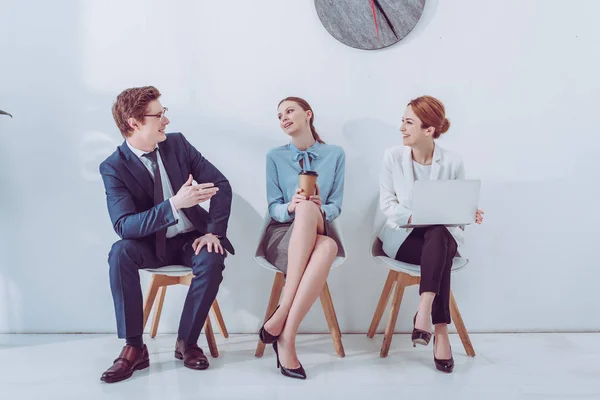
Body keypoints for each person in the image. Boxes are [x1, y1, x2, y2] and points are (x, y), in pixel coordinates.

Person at [99, 86, 234, 383]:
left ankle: (187, 341)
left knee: (212, 256)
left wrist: (214, 232)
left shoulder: (177, 145)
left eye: (165, 113)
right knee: (119, 251)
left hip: (190, 240)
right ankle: (134, 348)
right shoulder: (113, 167)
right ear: (134, 122)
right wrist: (174, 204)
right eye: (159, 115)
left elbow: (221, 185)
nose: (166, 121)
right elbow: (124, 225)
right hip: (150, 247)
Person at [378, 95, 483, 373]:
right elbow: (387, 205)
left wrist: (468, 213)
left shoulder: (452, 162)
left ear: (429, 130)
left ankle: (424, 309)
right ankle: (439, 330)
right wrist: (417, 217)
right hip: (403, 238)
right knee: (439, 242)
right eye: (402, 120)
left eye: (409, 122)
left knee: (438, 233)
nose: (401, 128)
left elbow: (456, 212)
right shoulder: (392, 157)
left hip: (440, 239)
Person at [258, 97, 345, 380]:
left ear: (308, 114)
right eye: (279, 114)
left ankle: (281, 313)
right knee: (328, 245)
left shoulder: (335, 154)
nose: (283, 117)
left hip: (318, 223)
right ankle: (287, 336)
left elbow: (336, 206)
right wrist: (291, 206)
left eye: (290, 110)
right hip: (283, 232)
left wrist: (319, 206)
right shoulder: (275, 156)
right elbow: (273, 207)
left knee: (311, 207)